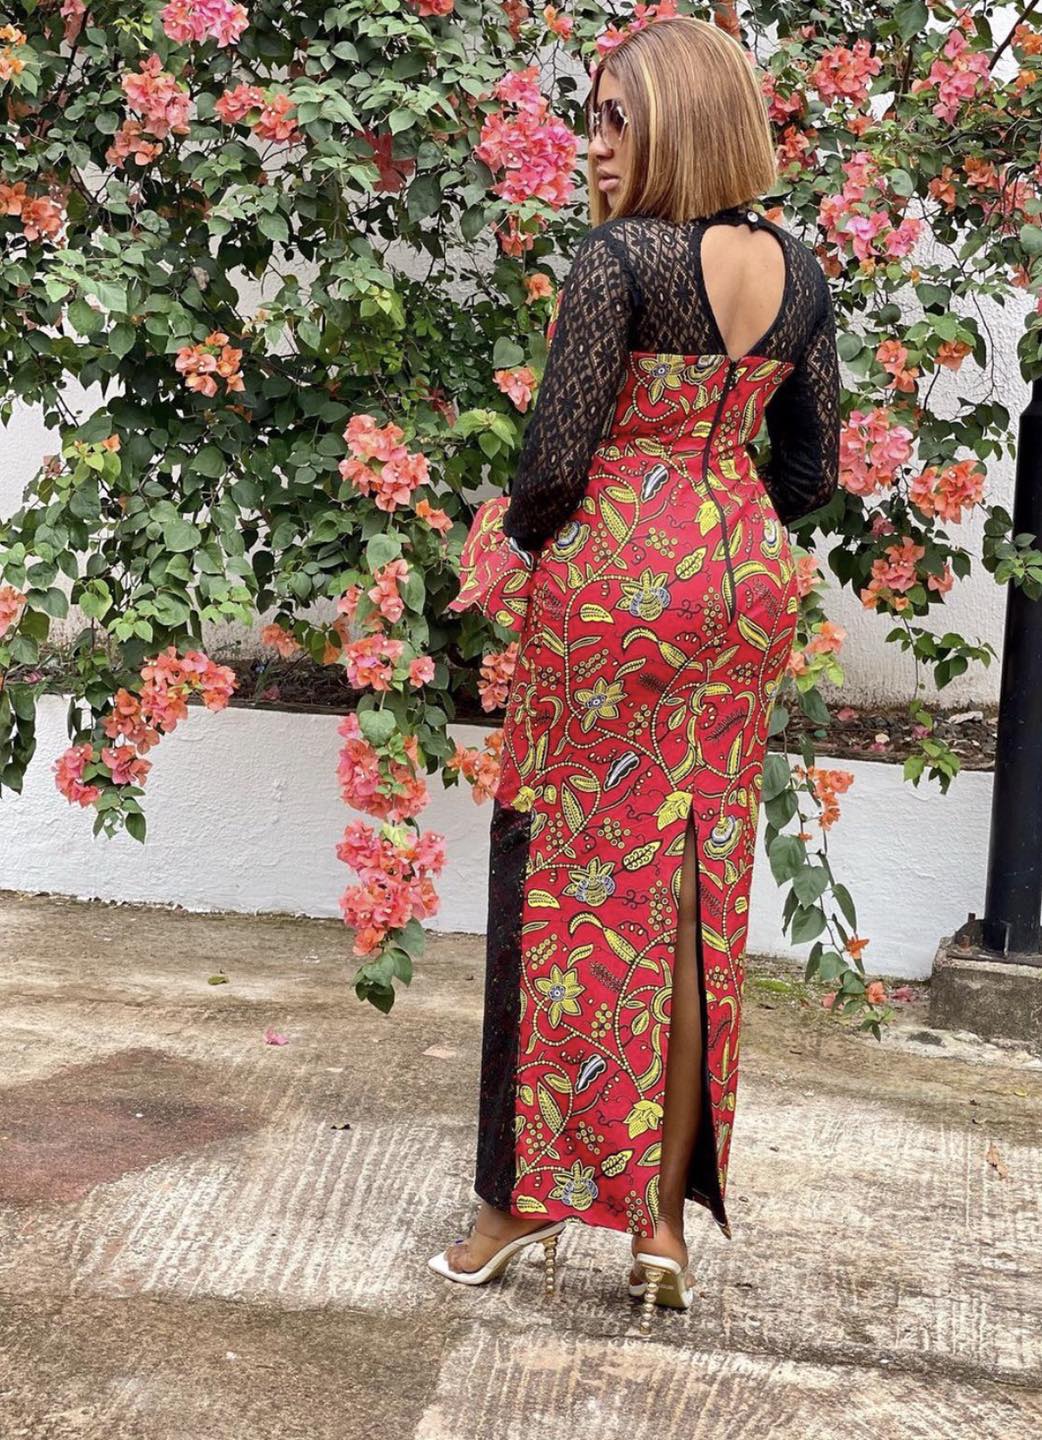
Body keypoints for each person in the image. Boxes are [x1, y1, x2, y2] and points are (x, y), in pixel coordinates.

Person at [428, 13, 840, 1335]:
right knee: (693, 887)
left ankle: (520, 1201)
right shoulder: (801, 270)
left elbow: (554, 461)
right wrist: (716, 504)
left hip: (612, 590)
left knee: (559, 876)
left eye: (616, 119)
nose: (593, 146)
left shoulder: (619, 260)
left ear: (678, 125)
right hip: (739, 589)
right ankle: (659, 1227)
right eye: (591, 118)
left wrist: (533, 544)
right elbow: (812, 472)